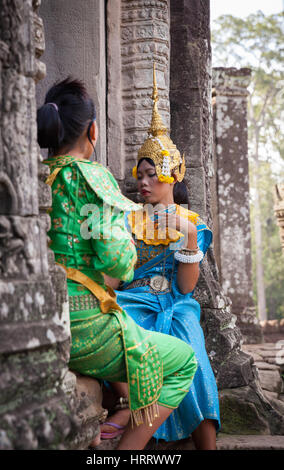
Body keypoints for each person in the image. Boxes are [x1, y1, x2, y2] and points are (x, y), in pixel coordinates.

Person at [37, 77, 198, 450]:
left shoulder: (40, 175)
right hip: (81, 321)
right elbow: (119, 265)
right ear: (93, 131)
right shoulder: (91, 179)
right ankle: (129, 452)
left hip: (40, 314)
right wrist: (125, 239)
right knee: (185, 360)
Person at [102, 65, 220, 450]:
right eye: (140, 173)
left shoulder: (191, 222)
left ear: (172, 175)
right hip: (132, 299)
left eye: (152, 174)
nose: (143, 181)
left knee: (193, 350)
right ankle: (132, 409)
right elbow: (115, 279)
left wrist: (185, 234)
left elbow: (186, 287)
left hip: (174, 303)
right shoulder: (126, 219)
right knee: (118, 328)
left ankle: (207, 443)